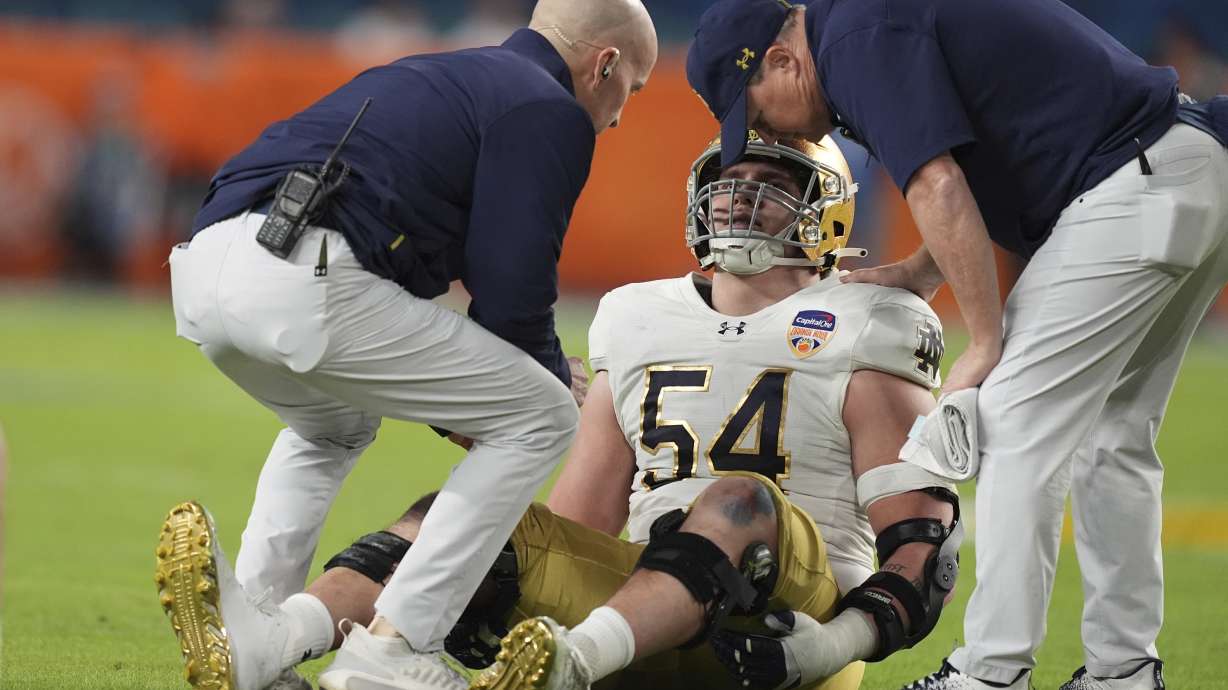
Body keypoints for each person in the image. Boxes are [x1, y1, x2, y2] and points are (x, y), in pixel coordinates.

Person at [215, 134, 965, 690]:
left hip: (785, 629)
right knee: (467, 517)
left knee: (738, 498)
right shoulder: (637, 316)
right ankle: (279, 641)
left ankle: (568, 667)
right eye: (729, 180)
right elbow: (581, 521)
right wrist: (496, 569)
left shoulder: (867, 320)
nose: (739, 195)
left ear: (826, 214)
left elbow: (923, 549)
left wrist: (831, 648)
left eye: (772, 182)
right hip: (643, 618)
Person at [685, 1, 1228, 689]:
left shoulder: (852, 40)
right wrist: (920, 269)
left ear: (783, 61)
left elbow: (938, 182)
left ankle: (990, 673)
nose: (768, 133)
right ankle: (1123, 672)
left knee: (1010, 423)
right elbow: (979, 159)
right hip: (1185, 169)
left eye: (756, 114)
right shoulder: (860, 23)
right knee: (1115, 438)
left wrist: (985, 341)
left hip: (1132, 188)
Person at [154, 3, 658, 690]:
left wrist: (473, 390)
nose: (624, 112)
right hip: (307, 277)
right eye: (633, 85)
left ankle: (258, 638)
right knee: (540, 414)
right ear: (603, 65)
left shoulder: (434, 69)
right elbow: (511, 285)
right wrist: (539, 369)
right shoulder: (548, 107)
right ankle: (393, 649)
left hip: (206, 266)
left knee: (333, 425)